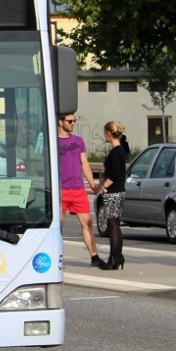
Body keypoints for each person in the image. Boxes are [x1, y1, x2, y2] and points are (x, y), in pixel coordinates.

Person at [57, 114, 106, 268]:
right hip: (61, 190)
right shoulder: (52, 141)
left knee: (88, 223)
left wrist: (92, 184)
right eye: (70, 121)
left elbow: (84, 164)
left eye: (74, 121)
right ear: (60, 122)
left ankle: (94, 257)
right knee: (57, 225)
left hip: (78, 189)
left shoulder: (78, 141)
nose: (73, 124)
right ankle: (57, 257)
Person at [97, 121, 130, 270]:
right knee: (114, 224)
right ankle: (116, 256)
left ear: (109, 134)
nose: (104, 136)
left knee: (113, 225)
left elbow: (115, 174)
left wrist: (103, 186)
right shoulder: (120, 150)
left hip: (114, 191)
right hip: (117, 190)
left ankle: (115, 257)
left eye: (105, 133)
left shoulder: (116, 151)